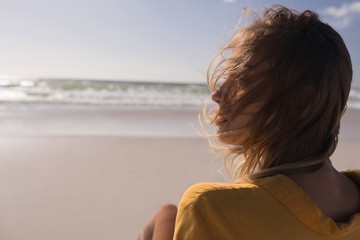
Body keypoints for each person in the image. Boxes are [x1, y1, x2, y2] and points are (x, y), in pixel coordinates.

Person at [138, 5, 360, 239]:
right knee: (167, 215)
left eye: (241, 79)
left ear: (301, 102)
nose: (217, 93)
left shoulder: (211, 209)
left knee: (163, 216)